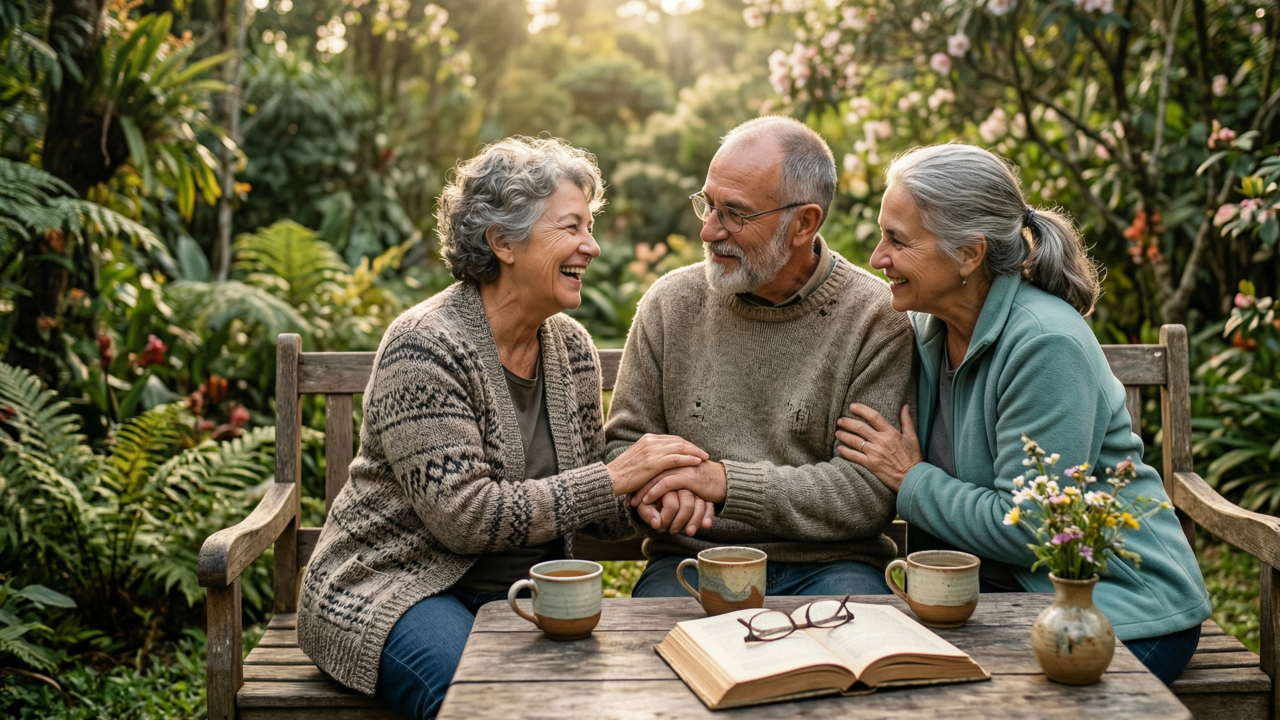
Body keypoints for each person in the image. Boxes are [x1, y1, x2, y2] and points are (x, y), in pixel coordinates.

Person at [296, 137, 713, 720]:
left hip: (517, 596)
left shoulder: (570, 348)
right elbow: (465, 517)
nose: (591, 246)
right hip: (395, 589)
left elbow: (596, 505)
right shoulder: (425, 345)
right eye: (571, 227)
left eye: (590, 227)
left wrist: (660, 493)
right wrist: (617, 476)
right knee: (484, 702)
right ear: (503, 241)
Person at [834, 143, 1211, 685]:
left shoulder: (1043, 343)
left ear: (968, 254)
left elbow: (1033, 527)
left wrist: (910, 478)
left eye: (898, 239)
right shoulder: (930, 329)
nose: (877, 257)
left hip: (1113, 610)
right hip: (1005, 600)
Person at [606, 116, 915, 598]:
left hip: (832, 565)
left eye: (735, 213)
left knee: (851, 665)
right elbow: (625, 445)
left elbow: (864, 492)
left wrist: (724, 482)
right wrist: (668, 492)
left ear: (804, 223)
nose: (709, 231)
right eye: (707, 205)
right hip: (693, 561)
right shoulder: (671, 303)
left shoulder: (876, 318)